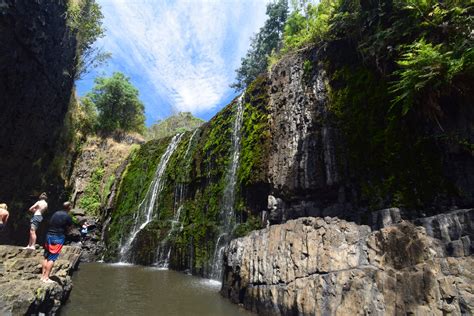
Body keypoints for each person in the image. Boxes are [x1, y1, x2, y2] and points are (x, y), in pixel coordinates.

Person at [41, 201, 73, 283]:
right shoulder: (67, 216)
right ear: (69, 207)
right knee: (52, 258)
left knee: (46, 256)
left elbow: (50, 222)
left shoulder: (55, 213)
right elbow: (70, 228)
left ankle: (42, 276)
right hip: (58, 237)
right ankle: (46, 277)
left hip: (49, 235)